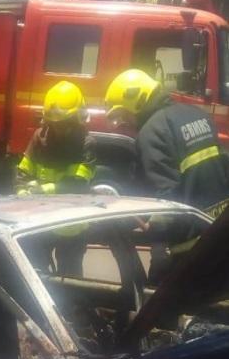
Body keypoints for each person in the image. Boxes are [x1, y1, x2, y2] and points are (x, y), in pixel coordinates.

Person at [105, 69, 229, 282]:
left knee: (159, 300)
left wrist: (153, 228)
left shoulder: (152, 131)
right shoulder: (196, 114)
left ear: (138, 102)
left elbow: (166, 193)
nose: (125, 122)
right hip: (219, 227)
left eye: (124, 115)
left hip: (189, 243)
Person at [16, 81, 96, 277]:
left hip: (71, 226)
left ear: (77, 119)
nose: (59, 129)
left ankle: (74, 306)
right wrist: (21, 192)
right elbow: (23, 172)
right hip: (39, 221)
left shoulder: (87, 144)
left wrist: (42, 190)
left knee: (70, 277)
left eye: (65, 124)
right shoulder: (39, 137)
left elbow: (77, 185)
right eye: (55, 124)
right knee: (34, 274)